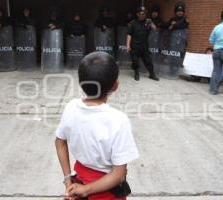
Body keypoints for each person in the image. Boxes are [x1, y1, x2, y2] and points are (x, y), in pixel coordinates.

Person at [55, 52, 139, 200]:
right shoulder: (118, 120)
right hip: (105, 191)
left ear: (81, 84)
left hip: (77, 183)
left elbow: (59, 141)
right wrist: (86, 190)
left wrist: (68, 179)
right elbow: (119, 175)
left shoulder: (71, 107)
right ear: (115, 86)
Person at [126, 6, 159, 81]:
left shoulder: (148, 22)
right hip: (134, 46)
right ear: (138, 14)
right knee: (135, 62)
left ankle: (152, 74)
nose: (143, 15)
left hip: (144, 46)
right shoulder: (133, 23)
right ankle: (136, 73)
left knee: (148, 61)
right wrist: (127, 45)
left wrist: (151, 22)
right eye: (142, 13)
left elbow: (155, 29)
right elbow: (129, 34)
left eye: (145, 13)